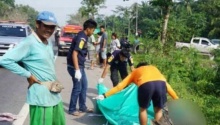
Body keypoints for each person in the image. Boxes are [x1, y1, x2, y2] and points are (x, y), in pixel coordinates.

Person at [0, 11, 65, 125]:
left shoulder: (47, 42)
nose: (49, 30)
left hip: (54, 93)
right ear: (37, 24)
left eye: (52, 27)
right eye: (46, 26)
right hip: (41, 97)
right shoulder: (29, 42)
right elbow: (5, 60)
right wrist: (28, 75)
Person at [96, 62, 179, 125]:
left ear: (137, 68)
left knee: (143, 110)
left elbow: (119, 87)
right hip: (161, 84)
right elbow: (168, 87)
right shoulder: (154, 68)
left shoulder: (135, 72)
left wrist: (104, 95)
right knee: (158, 110)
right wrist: (177, 100)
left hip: (146, 85)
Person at [66, 19, 97, 116]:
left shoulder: (84, 36)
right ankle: (72, 109)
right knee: (77, 87)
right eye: (93, 30)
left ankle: (82, 107)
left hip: (80, 66)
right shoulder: (82, 38)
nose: (93, 32)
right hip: (75, 66)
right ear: (88, 29)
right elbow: (75, 54)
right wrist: (77, 70)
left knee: (84, 85)